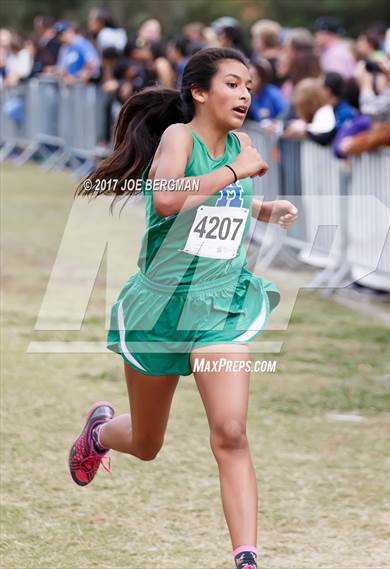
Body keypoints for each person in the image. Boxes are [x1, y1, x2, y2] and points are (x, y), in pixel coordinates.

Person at [69, 47, 298, 569]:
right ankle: (100, 432)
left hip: (221, 309)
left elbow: (222, 202)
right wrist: (237, 173)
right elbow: (169, 198)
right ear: (199, 92)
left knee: (231, 431)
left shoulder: (241, 145)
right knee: (148, 443)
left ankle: (246, 558)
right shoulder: (179, 139)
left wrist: (263, 209)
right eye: (233, 84)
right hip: (160, 311)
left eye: (248, 87)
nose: (244, 95)